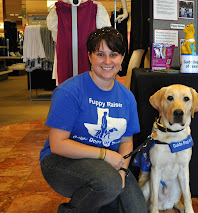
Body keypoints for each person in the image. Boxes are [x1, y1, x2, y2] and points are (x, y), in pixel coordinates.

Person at [39, 26, 147, 213]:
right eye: (100, 54)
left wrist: (122, 170)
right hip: (61, 161)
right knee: (108, 184)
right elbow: (57, 145)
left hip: (108, 166)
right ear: (89, 56)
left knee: (135, 209)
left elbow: (126, 141)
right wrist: (104, 155)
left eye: (113, 54)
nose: (107, 61)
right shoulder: (69, 91)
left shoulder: (127, 97)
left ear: (122, 58)